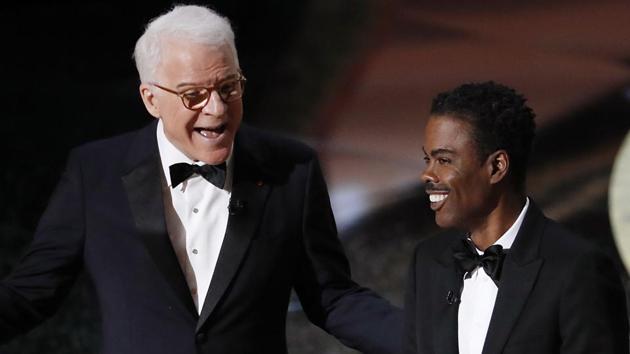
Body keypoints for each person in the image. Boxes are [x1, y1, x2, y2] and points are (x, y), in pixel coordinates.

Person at [0, 5, 402, 354]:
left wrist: (433, 341)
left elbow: (332, 296)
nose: (217, 108)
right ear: (151, 98)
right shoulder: (96, 172)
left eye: (229, 87)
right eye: (194, 95)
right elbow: (33, 291)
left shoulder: (291, 170)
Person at [404, 81, 629, 354]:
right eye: (427, 159)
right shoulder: (428, 261)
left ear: (497, 167)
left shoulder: (576, 270)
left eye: (444, 160)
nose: (427, 175)